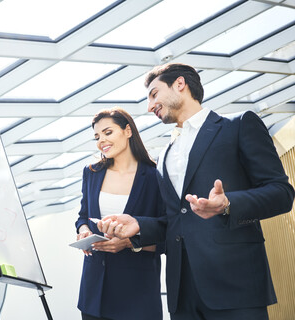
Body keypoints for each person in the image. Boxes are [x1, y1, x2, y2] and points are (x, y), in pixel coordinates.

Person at [97, 63, 295, 320]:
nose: (149, 106)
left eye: (154, 94)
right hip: (183, 295)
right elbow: (176, 220)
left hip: (235, 286)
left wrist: (227, 204)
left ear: (180, 84)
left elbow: (281, 193)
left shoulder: (238, 126)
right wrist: (139, 225)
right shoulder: (164, 154)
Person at [75, 107, 164, 320]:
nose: (101, 141)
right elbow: (83, 216)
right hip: (94, 291)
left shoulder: (155, 175)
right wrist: (84, 231)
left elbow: (168, 230)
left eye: (108, 132)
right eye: (97, 136)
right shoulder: (92, 172)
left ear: (128, 131)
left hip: (136, 294)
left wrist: (129, 242)